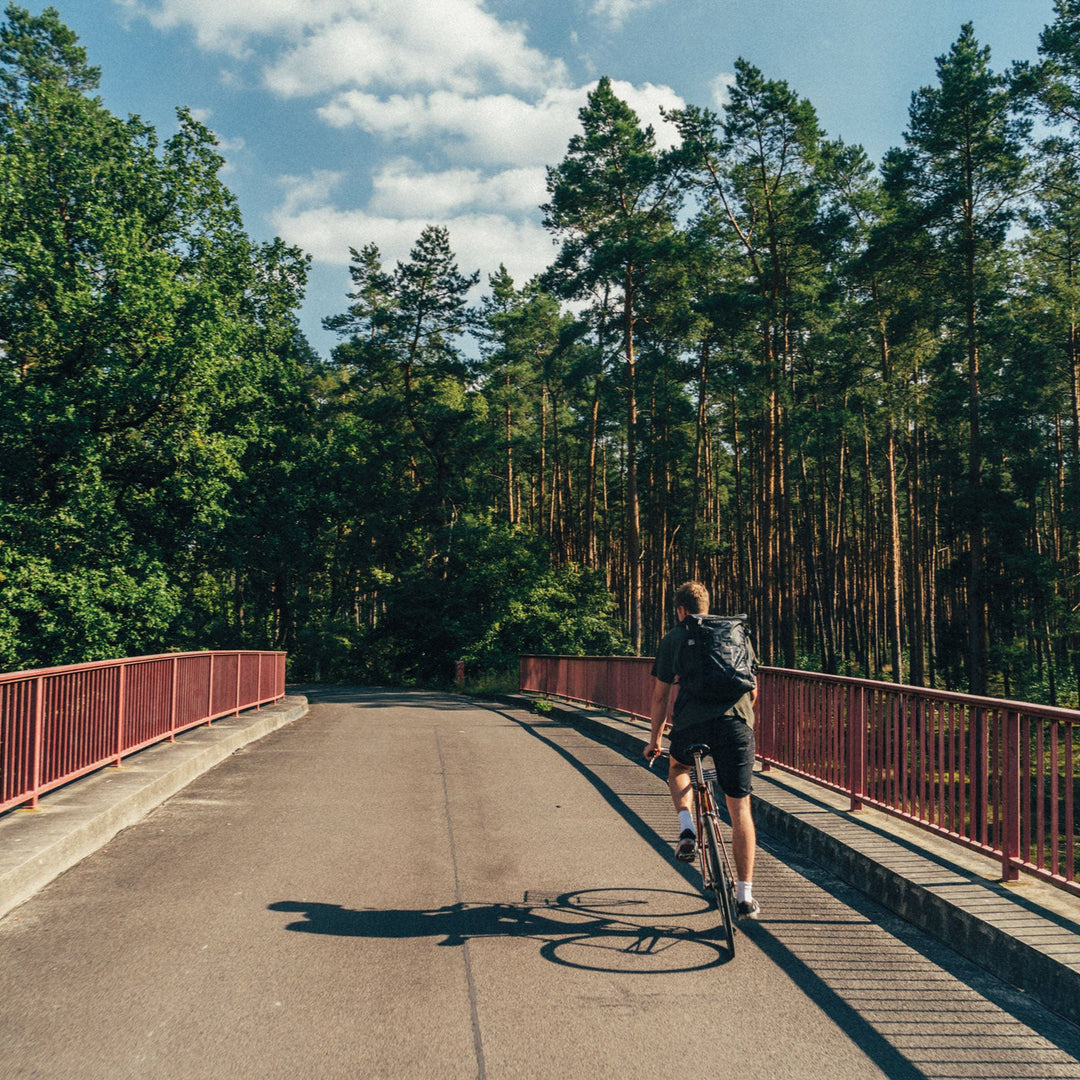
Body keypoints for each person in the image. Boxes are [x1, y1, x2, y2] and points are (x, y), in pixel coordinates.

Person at [645, 580, 761, 919]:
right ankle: (745, 897)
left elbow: (661, 696)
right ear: (707, 606)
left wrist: (655, 739)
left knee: (679, 768)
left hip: (692, 725)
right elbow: (752, 690)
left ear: (681, 610)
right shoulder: (736, 634)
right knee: (739, 807)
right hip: (736, 724)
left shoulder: (675, 637)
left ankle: (687, 827)